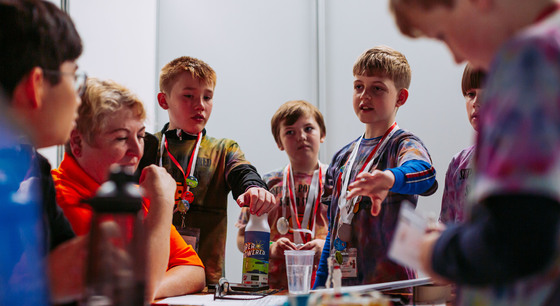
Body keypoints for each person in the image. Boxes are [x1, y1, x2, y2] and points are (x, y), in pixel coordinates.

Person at [389, 0, 560, 306]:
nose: (454, 56)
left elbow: (517, 241)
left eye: (443, 34)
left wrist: (433, 250)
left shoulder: (528, 61)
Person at [51, 78, 205, 301]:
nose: (136, 151)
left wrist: (151, 289)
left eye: (141, 136)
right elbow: (134, 290)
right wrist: (162, 201)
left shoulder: (133, 193)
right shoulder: (59, 196)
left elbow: (193, 269)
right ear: (77, 143)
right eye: (122, 138)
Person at [139, 56, 276, 285]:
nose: (200, 105)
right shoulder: (146, 146)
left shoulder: (223, 149)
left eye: (207, 97)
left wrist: (255, 187)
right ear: (164, 100)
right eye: (188, 96)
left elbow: (243, 172)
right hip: (151, 275)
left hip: (207, 280)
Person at [314, 46, 437, 288]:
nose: (364, 96)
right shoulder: (342, 157)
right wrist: (318, 287)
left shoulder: (402, 144)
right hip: (343, 289)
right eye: (358, 86)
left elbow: (425, 173)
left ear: (400, 98)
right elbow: (334, 231)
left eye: (377, 89)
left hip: (391, 290)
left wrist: (390, 178)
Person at [0, 0, 86, 306]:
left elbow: (69, 266)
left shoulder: (34, 167)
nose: (78, 97)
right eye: (74, 77)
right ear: (36, 85)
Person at [236, 100, 329, 290]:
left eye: (309, 128)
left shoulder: (337, 181)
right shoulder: (265, 185)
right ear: (279, 142)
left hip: (325, 287)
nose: (301, 137)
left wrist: (327, 246)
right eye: (290, 132)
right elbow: (241, 238)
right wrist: (270, 248)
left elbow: (354, 237)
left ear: (322, 134)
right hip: (273, 290)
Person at [439, 64, 486, 225]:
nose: (476, 102)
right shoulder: (458, 163)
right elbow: (445, 225)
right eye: (470, 94)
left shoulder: (525, 159)